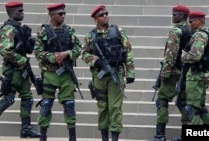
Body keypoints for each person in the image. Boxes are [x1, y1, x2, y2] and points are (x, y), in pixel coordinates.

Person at [0, 1, 40, 140]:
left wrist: (30, 43)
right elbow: (6, 51)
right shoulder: (8, 29)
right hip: (13, 69)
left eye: (23, 10)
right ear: (11, 12)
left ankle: (26, 129)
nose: (22, 13)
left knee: (28, 98)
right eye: (19, 11)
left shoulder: (19, 29)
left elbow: (26, 50)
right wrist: (22, 60)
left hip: (22, 69)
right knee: (8, 99)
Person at [82, 4, 135, 141]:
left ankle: (115, 137)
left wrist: (130, 73)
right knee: (102, 107)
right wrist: (96, 61)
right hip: (100, 76)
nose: (105, 16)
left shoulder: (118, 31)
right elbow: (84, 54)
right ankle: (104, 137)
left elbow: (128, 52)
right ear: (95, 19)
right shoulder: (90, 36)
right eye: (101, 15)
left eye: (106, 13)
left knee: (115, 107)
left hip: (116, 73)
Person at [34, 3, 82, 141]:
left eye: (64, 13)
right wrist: (53, 57)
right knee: (46, 104)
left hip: (66, 74)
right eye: (60, 14)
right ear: (52, 15)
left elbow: (79, 49)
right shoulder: (43, 31)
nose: (63, 16)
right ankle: (43, 136)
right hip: (49, 74)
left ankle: (72, 137)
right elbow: (37, 51)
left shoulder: (69, 30)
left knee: (69, 104)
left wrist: (67, 53)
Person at [151, 5, 191, 141]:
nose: (172, 17)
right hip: (187, 72)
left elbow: (171, 55)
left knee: (161, 100)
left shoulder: (176, 31)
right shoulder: (192, 30)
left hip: (174, 73)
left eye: (174, 15)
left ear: (181, 16)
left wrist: (165, 73)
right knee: (184, 102)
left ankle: (160, 135)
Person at [181, 10, 209, 125]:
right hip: (203, 74)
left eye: (191, 21)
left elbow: (195, 56)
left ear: (199, 21)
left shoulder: (199, 34)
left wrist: (183, 56)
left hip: (196, 76)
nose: (189, 24)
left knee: (192, 108)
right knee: (200, 106)